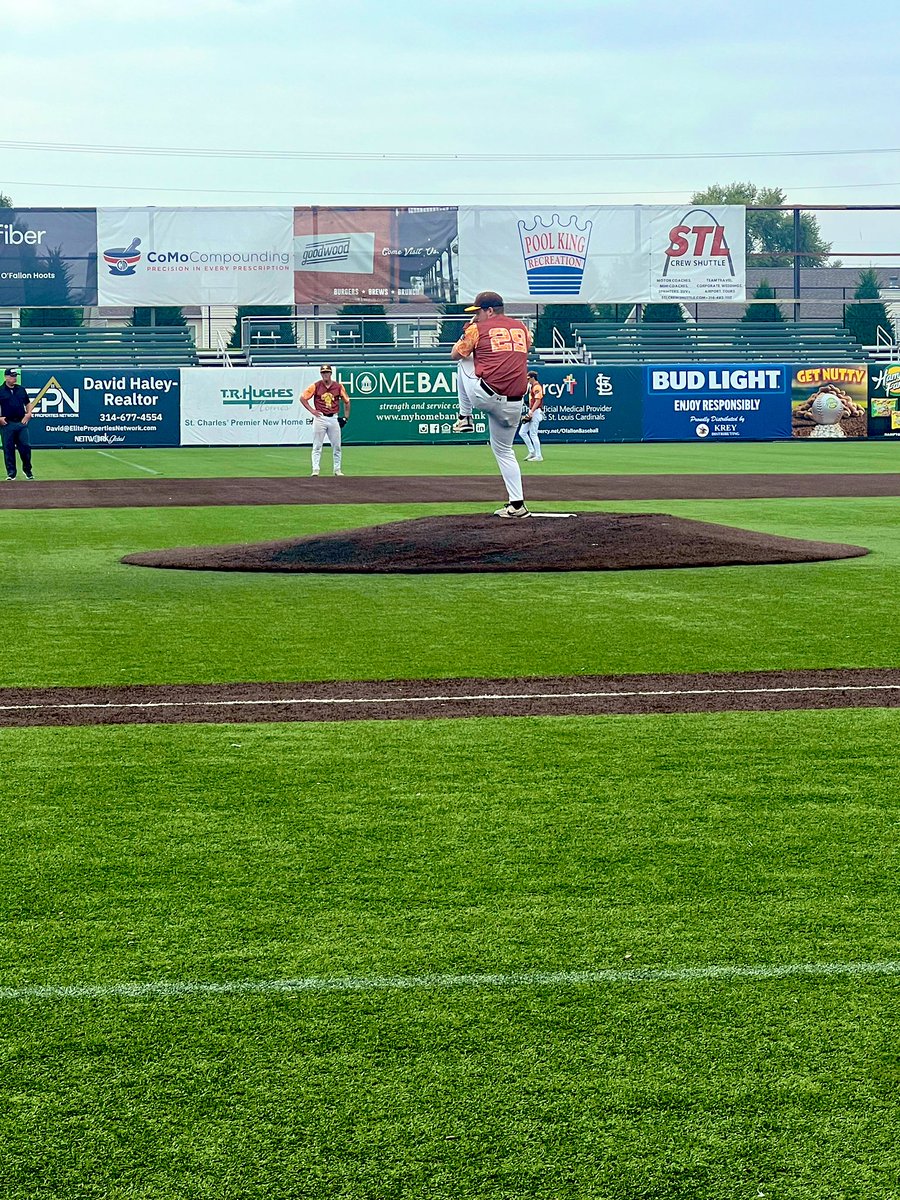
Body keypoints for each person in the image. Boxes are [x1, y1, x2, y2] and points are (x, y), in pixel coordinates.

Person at [450, 290, 532, 518]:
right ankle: (517, 505)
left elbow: (454, 354)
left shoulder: (477, 328)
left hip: (487, 395)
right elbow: (525, 346)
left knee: (463, 363)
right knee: (506, 451)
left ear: (489, 310)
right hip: (515, 403)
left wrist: (467, 331)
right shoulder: (523, 328)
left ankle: (464, 417)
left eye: (478, 312)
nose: (476, 316)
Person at [299, 364, 350, 477]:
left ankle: (337, 469)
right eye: (323, 372)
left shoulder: (338, 386)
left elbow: (347, 401)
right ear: (321, 374)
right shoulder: (316, 386)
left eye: (327, 372)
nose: (325, 374)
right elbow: (303, 398)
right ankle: (315, 469)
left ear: (330, 373)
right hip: (320, 417)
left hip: (333, 417)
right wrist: (312, 410)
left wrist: (346, 417)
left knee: (337, 446)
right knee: (317, 445)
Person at [0, 367, 36, 481]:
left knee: (25, 447)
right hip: (7, 424)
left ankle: (28, 471)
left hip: (21, 422)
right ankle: (11, 473)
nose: (14, 378)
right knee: (8, 448)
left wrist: (29, 413)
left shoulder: (21, 389)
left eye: (15, 376)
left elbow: (28, 403)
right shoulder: (0, 390)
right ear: (6, 377)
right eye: (12, 376)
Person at [519, 371, 545, 462]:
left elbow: (538, 400)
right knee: (522, 432)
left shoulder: (537, 386)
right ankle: (532, 452)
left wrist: (531, 411)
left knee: (533, 434)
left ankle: (539, 455)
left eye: (529, 378)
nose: (528, 380)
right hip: (532, 411)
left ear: (533, 378)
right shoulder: (532, 386)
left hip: (536, 411)